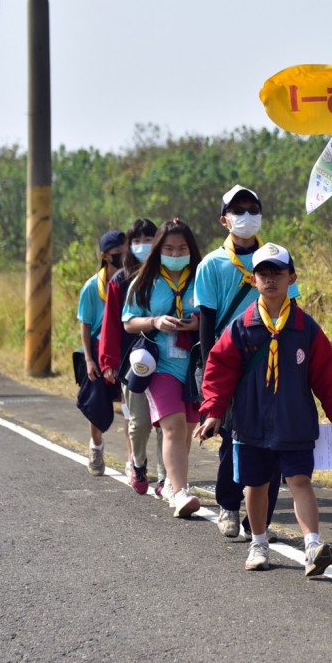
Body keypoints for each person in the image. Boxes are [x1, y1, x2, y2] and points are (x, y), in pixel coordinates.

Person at [197, 243, 332, 575]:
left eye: (277, 272)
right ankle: (259, 543)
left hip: (294, 422)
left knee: (299, 481)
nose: (270, 279)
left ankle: (313, 546)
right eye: (263, 273)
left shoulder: (305, 328)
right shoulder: (242, 326)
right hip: (250, 422)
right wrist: (213, 412)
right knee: (255, 485)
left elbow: (326, 370)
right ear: (253, 280)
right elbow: (219, 370)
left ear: (291, 277)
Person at [195, 185, 300, 539]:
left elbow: (292, 312)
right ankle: (228, 504)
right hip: (230, 366)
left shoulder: (276, 259)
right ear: (224, 220)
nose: (246, 216)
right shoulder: (212, 264)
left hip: (271, 364)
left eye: (252, 208)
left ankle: (260, 522)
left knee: (272, 442)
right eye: (237, 210)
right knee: (232, 439)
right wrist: (214, 375)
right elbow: (207, 321)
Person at [122, 218, 204, 518]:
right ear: (158, 250)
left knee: (187, 430)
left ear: (191, 249)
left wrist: (197, 322)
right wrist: (155, 321)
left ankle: (171, 482)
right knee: (174, 426)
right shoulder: (145, 281)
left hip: (193, 365)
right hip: (161, 365)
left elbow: (213, 313)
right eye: (168, 248)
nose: (175, 253)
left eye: (181, 247)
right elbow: (129, 322)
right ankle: (181, 493)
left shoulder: (201, 277)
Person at [99, 218, 166, 496]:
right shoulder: (120, 280)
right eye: (136, 240)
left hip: (167, 359)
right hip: (132, 362)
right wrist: (108, 361)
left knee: (166, 420)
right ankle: (138, 464)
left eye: (149, 239)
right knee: (138, 422)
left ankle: (167, 478)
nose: (143, 245)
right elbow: (111, 325)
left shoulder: (169, 275)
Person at [77, 229, 127, 476]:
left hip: (125, 346)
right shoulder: (91, 288)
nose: (123, 258)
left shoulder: (132, 280)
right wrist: (89, 360)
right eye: (118, 254)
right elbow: (85, 326)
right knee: (96, 406)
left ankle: (134, 459)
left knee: (131, 404)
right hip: (98, 350)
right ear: (105, 256)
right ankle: (96, 447)